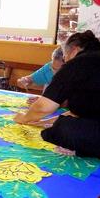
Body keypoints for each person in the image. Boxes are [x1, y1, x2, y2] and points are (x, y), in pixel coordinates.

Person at [14, 30, 100, 158]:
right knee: (62, 123)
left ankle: (82, 150)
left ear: (74, 50)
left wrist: (25, 118)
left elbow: (43, 107)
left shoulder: (77, 63)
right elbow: (83, 112)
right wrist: (43, 122)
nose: (65, 60)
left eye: (65, 56)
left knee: (62, 128)